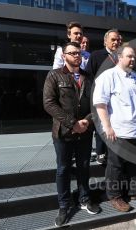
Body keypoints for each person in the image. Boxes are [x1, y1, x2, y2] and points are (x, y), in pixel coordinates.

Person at [93, 46, 136, 213]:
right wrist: (107, 127)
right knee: (116, 166)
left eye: (134, 57)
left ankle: (135, 191)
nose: (132, 60)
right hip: (119, 131)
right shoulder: (108, 76)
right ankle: (114, 195)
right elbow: (100, 104)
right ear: (119, 57)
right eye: (129, 56)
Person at [43, 42, 100, 226]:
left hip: (84, 131)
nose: (77, 55)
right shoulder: (54, 75)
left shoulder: (89, 78)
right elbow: (49, 103)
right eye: (72, 53)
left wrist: (87, 121)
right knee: (63, 169)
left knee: (84, 167)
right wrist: (73, 123)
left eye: (79, 53)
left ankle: (84, 199)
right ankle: (64, 206)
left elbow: (97, 103)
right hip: (63, 132)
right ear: (64, 55)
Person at [85, 29, 121, 165]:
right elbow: (89, 77)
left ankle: (114, 152)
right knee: (102, 125)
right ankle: (101, 153)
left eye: (118, 39)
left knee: (115, 126)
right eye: (113, 39)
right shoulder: (96, 55)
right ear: (105, 41)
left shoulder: (121, 57)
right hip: (101, 99)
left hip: (118, 100)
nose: (116, 42)